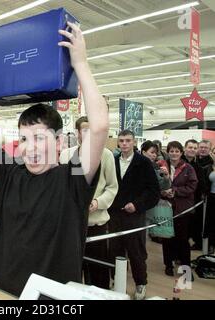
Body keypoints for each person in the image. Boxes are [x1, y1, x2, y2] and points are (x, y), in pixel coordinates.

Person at [0, 22, 109, 296]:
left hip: (53, 298)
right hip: (3, 292)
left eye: (39, 138)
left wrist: (80, 64)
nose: (30, 148)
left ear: (58, 140)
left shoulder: (74, 176)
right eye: (25, 138)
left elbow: (99, 126)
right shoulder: (10, 172)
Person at [60, 116, 118, 289]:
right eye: (84, 130)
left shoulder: (106, 155)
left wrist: (97, 202)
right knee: (72, 271)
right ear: (77, 133)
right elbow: (61, 186)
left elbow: (112, 187)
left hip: (95, 224)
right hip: (71, 226)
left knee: (97, 272)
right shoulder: (66, 155)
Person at [109, 130, 160, 300]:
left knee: (136, 251)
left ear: (134, 142)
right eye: (121, 140)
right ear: (118, 143)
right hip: (114, 214)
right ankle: (116, 280)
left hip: (134, 215)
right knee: (115, 249)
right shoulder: (112, 161)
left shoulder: (144, 163)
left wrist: (137, 205)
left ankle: (141, 283)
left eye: (128, 140)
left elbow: (153, 191)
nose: (124, 144)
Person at [159, 141, 198, 278]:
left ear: (181, 153)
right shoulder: (161, 166)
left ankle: (186, 269)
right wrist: (163, 192)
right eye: (171, 151)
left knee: (183, 239)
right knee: (167, 237)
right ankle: (168, 265)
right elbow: (155, 184)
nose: (174, 153)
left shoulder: (188, 168)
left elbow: (192, 187)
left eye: (177, 151)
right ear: (167, 152)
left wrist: (175, 191)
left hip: (182, 209)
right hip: (165, 208)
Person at [182, 139, 206, 250]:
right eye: (190, 147)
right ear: (185, 148)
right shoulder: (178, 163)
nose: (192, 150)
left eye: (194, 148)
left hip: (193, 202)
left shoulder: (198, 167)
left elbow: (201, 185)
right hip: (178, 201)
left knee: (188, 229)